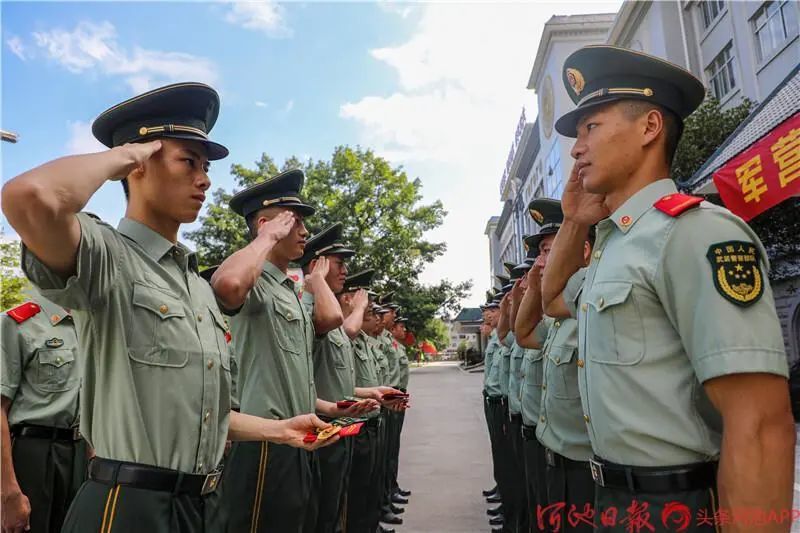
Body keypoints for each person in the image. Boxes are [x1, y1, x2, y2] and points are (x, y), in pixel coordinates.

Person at [2, 82, 334, 533]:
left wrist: (280, 431)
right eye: (189, 161)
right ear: (140, 165)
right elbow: (28, 196)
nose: (205, 178)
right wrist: (122, 156)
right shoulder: (108, 257)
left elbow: (204, 412)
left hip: (201, 506)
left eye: (206, 166)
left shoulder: (197, 289)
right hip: (128, 508)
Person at [541, 46, 795, 530]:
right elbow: (554, 301)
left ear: (649, 127)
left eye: (590, 127)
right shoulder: (618, 243)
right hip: (613, 500)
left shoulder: (694, 233)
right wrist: (574, 222)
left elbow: (760, 425)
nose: (576, 149)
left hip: (674, 507)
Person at [211, 170, 375, 533]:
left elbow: (296, 374)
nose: (303, 233)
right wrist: (267, 237)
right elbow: (227, 284)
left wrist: (330, 408)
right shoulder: (255, 284)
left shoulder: (290, 293)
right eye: (294, 222)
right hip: (264, 445)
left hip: (299, 436)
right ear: (266, 224)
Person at [515, 199, 595, 532]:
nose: (540, 261)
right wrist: (535, 287)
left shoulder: (592, 303)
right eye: (541, 252)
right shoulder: (560, 317)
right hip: (556, 465)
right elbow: (523, 334)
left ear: (585, 250)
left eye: (550, 250)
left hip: (587, 473)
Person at [296, 222, 380, 533]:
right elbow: (335, 321)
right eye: (339, 263)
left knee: (339, 506)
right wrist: (316, 281)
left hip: (340, 421)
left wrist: (369, 392)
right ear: (317, 263)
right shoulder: (316, 310)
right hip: (321, 425)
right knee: (326, 513)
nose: (345, 271)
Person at [1, 295, 90, 533]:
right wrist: (8, 491)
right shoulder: (18, 323)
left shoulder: (90, 325)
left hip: (80, 454)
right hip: (34, 454)